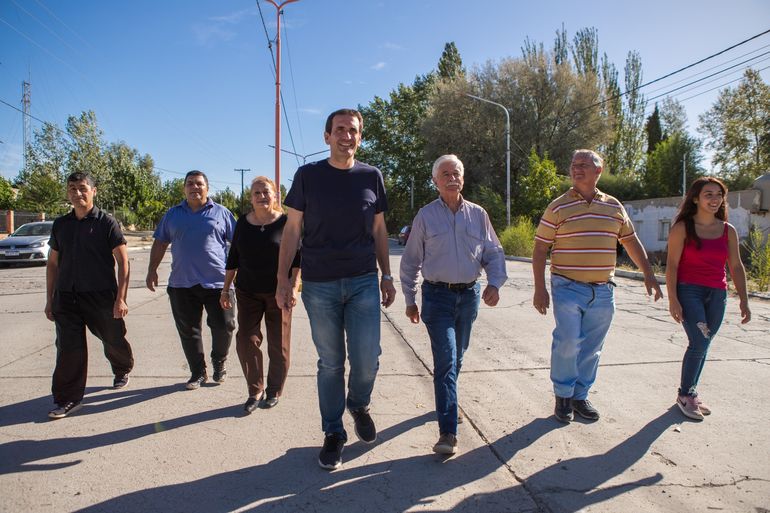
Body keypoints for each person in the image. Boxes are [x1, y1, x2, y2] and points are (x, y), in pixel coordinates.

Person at [276, 108, 396, 470]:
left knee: (367, 359)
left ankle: (358, 403)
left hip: (362, 281)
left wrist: (387, 275)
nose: (347, 135)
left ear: (360, 137)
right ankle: (333, 432)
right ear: (327, 137)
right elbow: (292, 230)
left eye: (353, 130)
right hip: (319, 283)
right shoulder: (308, 176)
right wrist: (283, 278)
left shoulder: (371, 177)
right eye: (339, 130)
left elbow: (379, 230)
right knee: (330, 363)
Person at [532, 149, 663, 423]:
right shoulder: (557, 206)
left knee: (592, 346)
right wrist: (539, 288)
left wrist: (649, 274)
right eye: (573, 164)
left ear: (598, 171)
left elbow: (630, 241)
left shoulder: (614, 206)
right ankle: (563, 396)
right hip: (567, 286)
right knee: (568, 341)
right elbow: (541, 247)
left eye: (583, 164)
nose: (576, 168)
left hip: (603, 289)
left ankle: (580, 396)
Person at [400, 154, 507, 455]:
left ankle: (448, 399)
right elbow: (410, 262)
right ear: (435, 181)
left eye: (456, 172)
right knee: (446, 360)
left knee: (457, 358)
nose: (452, 177)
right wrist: (410, 300)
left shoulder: (478, 214)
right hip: (437, 297)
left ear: (463, 178)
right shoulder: (425, 216)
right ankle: (448, 432)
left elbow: (494, 252)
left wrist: (495, 284)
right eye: (445, 173)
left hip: (469, 296)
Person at [45, 172, 134, 419]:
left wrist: (121, 298)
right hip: (67, 297)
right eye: (72, 188)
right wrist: (49, 298)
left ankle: (122, 367)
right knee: (68, 348)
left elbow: (123, 262)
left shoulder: (106, 222)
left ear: (93, 191)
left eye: (83, 188)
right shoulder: (61, 224)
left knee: (113, 339)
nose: (77, 193)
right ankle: (67, 399)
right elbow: (52, 264)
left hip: (101, 296)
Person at [666, 177, 751, 421]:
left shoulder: (728, 230)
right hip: (688, 290)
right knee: (699, 342)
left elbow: (736, 265)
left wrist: (743, 299)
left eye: (719, 195)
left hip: (717, 293)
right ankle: (685, 395)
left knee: (704, 343)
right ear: (696, 198)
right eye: (708, 194)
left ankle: (690, 392)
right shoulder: (683, 227)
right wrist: (673, 298)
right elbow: (671, 265)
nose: (715, 199)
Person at [146, 170, 236, 390]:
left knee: (225, 326)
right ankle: (197, 372)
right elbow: (160, 243)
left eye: (199, 184)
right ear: (184, 188)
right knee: (188, 330)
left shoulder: (222, 213)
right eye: (190, 184)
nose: (194, 188)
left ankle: (219, 361)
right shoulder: (173, 214)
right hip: (181, 283)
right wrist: (152, 270)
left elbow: (238, 246)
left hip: (218, 283)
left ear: (207, 187)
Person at [220, 176, 301, 414]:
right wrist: (226, 288)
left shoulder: (286, 223)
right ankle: (255, 389)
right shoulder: (243, 224)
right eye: (257, 193)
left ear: (275, 196)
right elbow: (233, 258)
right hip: (247, 292)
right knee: (246, 340)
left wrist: (293, 287)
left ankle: (274, 390)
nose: (261, 196)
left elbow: (298, 259)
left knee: (279, 345)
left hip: (280, 292)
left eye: (266, 192)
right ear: (251, 198)